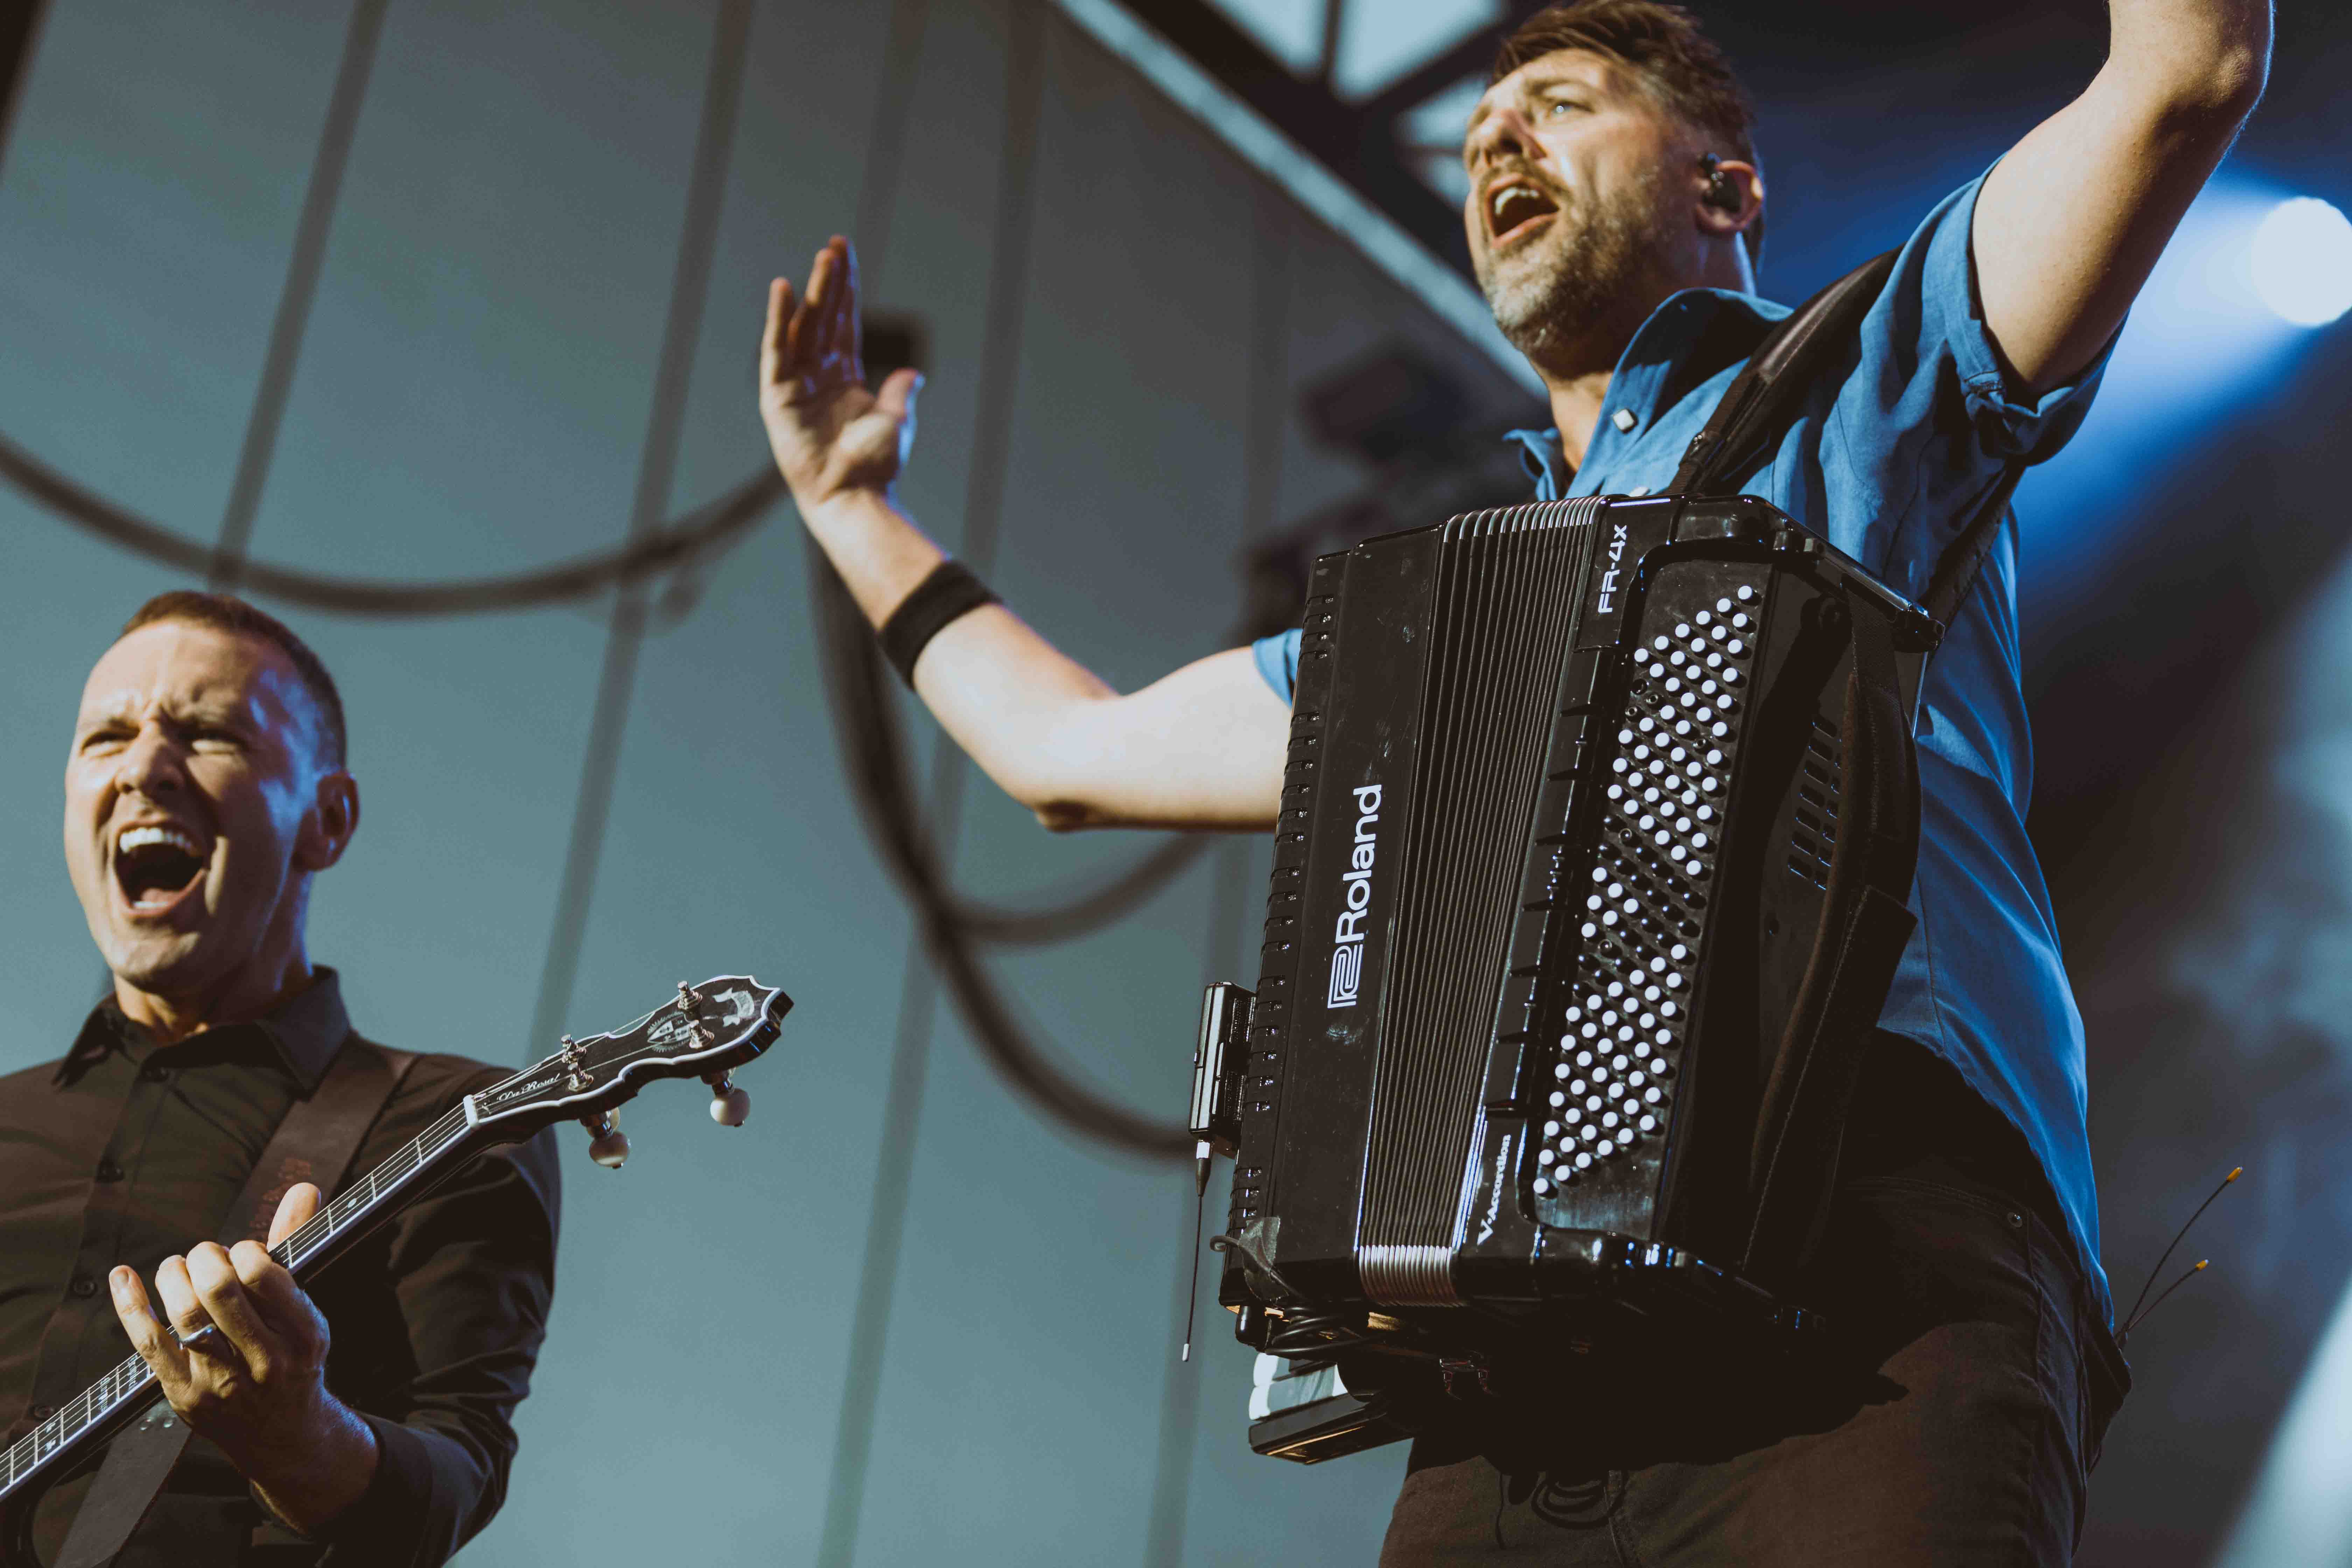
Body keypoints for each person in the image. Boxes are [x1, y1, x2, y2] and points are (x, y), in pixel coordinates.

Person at [755, 0, 2269, 1560]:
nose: (1500, 137)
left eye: (1559, 102)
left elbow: (2183, 76)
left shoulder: (1863, 386)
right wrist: (853, 509)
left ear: (1726, 190)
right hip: (1519, 1366)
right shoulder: (1437, 639)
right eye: (1485, 127)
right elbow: (1064, 759)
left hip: (1874, 1278)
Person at [0, 592, 560, 1565]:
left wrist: (299, 1439)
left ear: (328, 820)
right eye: (106, 738)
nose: (143, 768)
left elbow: (448, 1488)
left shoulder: (453, 1124)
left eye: (207, 733)